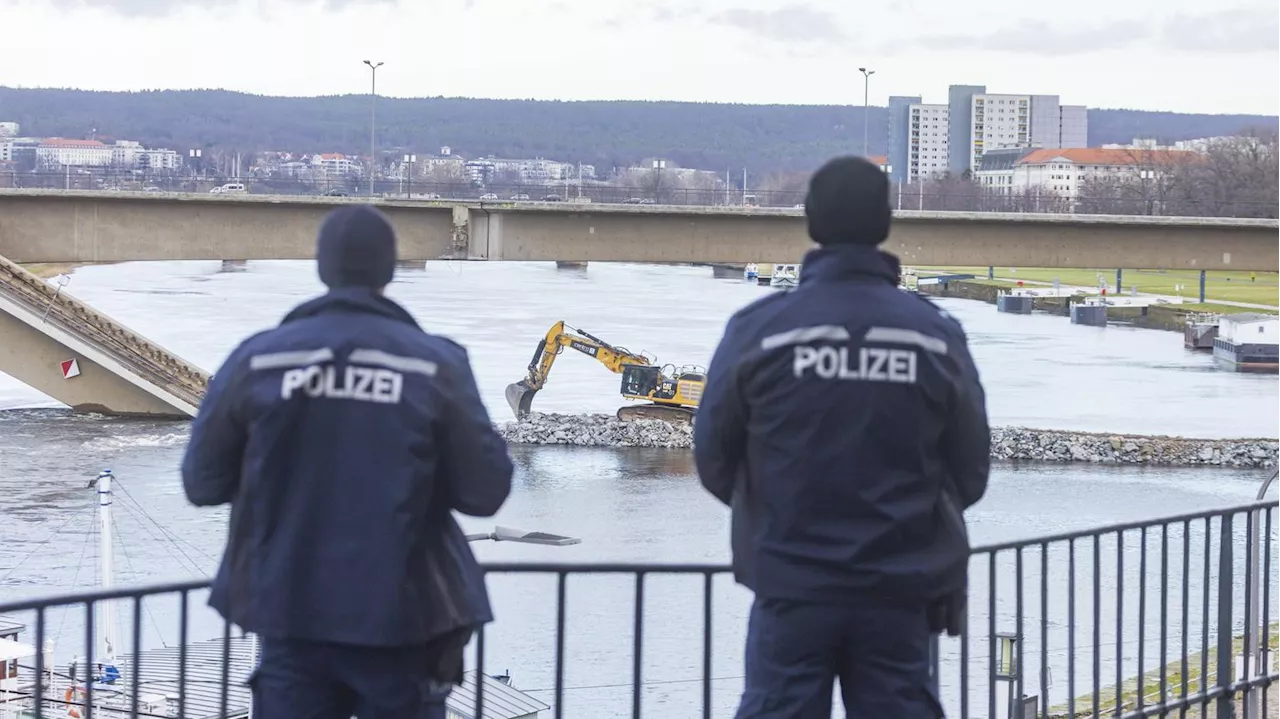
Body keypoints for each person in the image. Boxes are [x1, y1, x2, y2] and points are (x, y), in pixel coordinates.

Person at [180, 204, 514, 719]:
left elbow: (202, 483)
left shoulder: (258, 359)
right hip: (406, 621)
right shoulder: (433, 364)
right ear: (388, 270)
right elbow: (485, 493)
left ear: (322, 268)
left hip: (291, 615)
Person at [693, 156, 990, 718]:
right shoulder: (934, 335)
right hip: (899, 590)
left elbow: (712, 457)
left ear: (810, 222)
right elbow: (971, 470)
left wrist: (780, 515)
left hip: (791, 582)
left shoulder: (760, 331)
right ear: (886, 222)